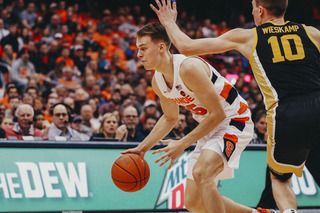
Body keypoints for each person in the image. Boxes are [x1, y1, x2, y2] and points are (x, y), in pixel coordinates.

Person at [151, 0, 320, 212]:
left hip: (287, 111)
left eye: (252, 8)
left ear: (260, 10)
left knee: (280, 178)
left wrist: (169, 23)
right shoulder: (312, 32)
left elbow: (186, 47)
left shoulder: (249, 36)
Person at [122, 22, 254, 213]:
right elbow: (170, 118)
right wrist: (142, 149)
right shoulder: (158, 81)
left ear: (161, 47)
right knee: (194, 203)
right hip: (210, 126)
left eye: (143, 48)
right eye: (137, 49)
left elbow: (218, 114)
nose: (138, 54)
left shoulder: (188, 68)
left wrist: (182, 143)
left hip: (234, 119)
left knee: (202, 173)